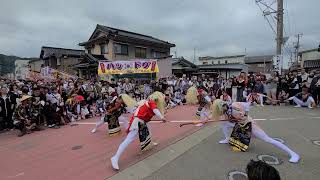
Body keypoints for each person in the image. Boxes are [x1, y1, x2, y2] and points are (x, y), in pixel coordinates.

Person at [212, 99, 300, 163]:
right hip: (240, 125)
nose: (220, 111)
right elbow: (226, 118)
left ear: (223, 105)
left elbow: (247, 105)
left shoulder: (234, 105)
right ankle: (227, 138)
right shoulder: (226, 111)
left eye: (219, 109)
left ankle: (293, 154)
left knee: (267, 139)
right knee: (224, 124)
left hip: (249, 124)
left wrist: (245, 115)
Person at [110, 91, 166, 170]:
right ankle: (115, 157)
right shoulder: (151, 102)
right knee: (129, 140)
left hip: (142, 122)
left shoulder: (147, 102)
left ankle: (149, 143)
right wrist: (162, 117)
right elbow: (155, 110)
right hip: (138, 121)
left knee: (148, 131)